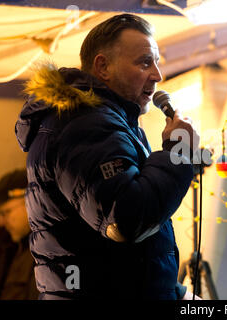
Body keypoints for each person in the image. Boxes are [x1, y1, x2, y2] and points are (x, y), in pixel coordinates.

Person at [15, 14, 200, 300]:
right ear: (103, 66)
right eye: (144, 62)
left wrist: (172, 292)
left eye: (157, 62)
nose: (157, 75)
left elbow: (121, 257)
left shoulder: (105, 124)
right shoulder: (83, 124)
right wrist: (179, 153)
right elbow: (125, 220)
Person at [0, 169, 39, 300]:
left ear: (29, 202)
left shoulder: (48, 251)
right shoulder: (16, 247)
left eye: (6, 212)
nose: (2, 222)